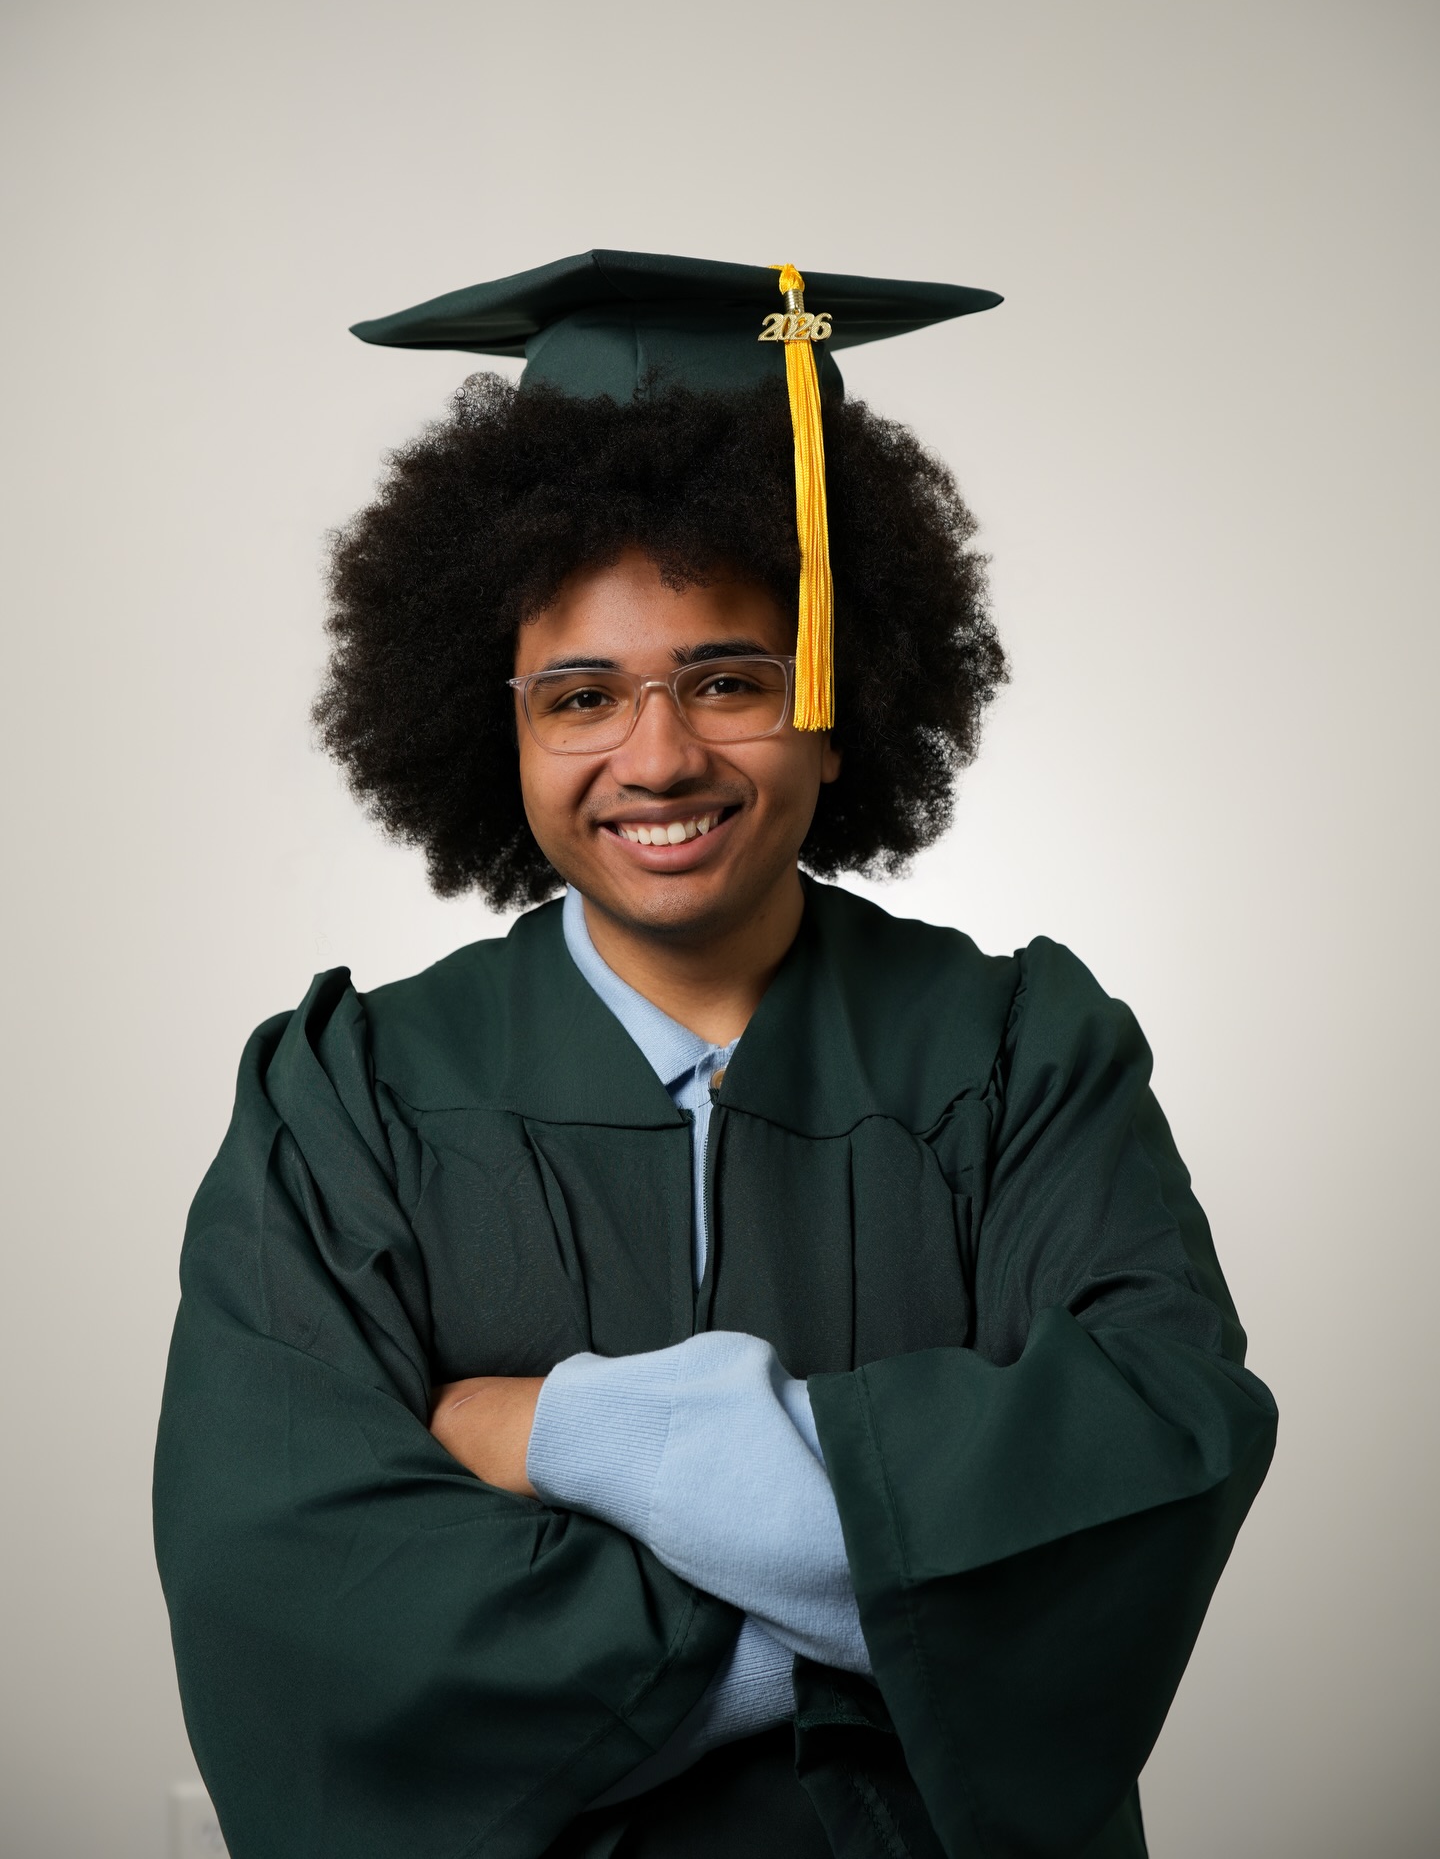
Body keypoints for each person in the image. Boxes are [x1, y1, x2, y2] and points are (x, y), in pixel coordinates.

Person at [153, 251, 1277, 1859]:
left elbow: (1151, 1456)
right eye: (580, 696)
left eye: (731, 679)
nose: (658, 756)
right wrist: (868, 1621)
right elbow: (293, 1596)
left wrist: (569, 1431)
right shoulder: (349, 1101)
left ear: (841, 692)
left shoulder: (1023, 1059)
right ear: (498, 726)